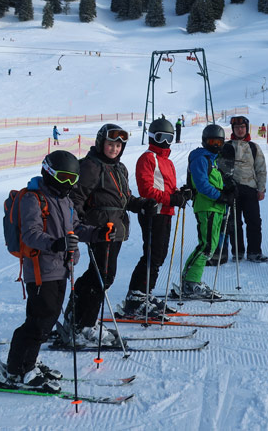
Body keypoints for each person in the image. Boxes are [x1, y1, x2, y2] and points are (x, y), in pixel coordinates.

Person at [0, 150, 113, 393]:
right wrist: (55, 243)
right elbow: (31, 234)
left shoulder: (65, 201)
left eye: (73, 179)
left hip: (61, 268)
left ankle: (29, 361)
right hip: (40, 269)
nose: (68, 184)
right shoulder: (33, 199)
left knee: (46, 321)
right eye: (63, 178)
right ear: (48, 173)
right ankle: (16, 370)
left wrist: (98, 233)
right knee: (38, 321)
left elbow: (75, 228)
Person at [60, 124, 156, 343]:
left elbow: (124, 199)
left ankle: (75, 316)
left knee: (97, 274)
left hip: (116, 229)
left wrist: (141, 204)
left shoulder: (119, 168)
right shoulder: (92, 166)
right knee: (104, 276)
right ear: (100, 142)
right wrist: (81, 224)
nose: (114, 149)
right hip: (101, 230)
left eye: (119, 145)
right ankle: (86, 324)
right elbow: (76, 198)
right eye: (111, 144)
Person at [124, 118, 191, 318]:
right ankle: (136, 296)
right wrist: (171, 198)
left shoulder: (167, 161)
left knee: (158, 256)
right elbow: (146, 189)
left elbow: (167, 188)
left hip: (166, 212)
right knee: (152, 255)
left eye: (169, 138)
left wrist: (181, 193)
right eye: (161, 137)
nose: (165, 142)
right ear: (152, 136)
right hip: (154, 212)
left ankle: (145, 293)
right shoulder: (148, 158)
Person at [178, 124, 234, 298]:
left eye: (219, 142)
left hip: (215, 208)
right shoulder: (201, 158)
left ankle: (190, 281)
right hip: (207, 207)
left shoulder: (213, 160)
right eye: (212, 141)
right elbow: (202, 185)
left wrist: (228, 189)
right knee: (207, 246)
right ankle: (190, 283)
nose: (216, 145)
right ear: (204, 141)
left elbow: (215, 182)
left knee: (208, 245)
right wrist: (221, 196)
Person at [216, 116, 268, 263]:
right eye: (237, 127)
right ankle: (237, 252)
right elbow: (220, 168)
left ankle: (254, 252)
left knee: (254, 221)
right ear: (233, 129)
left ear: (247, 128)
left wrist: (261, 189)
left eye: (243, 127)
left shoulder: (253, 147)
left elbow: (261, 169)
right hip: (232, 190)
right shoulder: (226, 146)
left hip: (250, 188)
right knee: (234, 222)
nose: (240, 130)